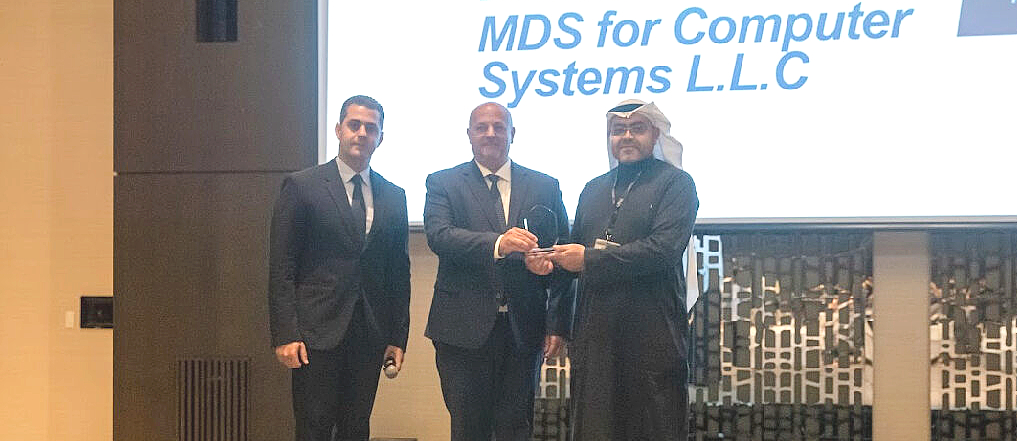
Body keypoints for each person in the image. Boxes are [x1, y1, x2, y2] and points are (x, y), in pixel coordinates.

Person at [548, 99, 698, 440]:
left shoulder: (677, 185)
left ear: (655, 134)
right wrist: (548, 263)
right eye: (618, 130)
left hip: (652, 337)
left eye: (637, 128)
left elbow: (663, 250)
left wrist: (588, 259)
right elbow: (575, 256)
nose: (626, 136)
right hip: (596, 338)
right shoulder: (593, 189)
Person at [424, 102, 573, 441]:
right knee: (467, 429)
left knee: (516, 429)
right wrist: (498, 243)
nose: (490, 133)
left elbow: (560, 257)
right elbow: (440, 237)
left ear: (512, 134)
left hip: (523, 331)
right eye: (481, 127)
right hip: (461, 331)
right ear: (469, 135)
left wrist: (557, 322)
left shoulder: (545, 185)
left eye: (498, 126)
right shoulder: (443, 182)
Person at [268, 95, 410, 441]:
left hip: (369, 332)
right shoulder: (303, 186)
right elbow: (282, 265)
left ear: (380, 137)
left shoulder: (394, 195)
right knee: (313, 427)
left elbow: (398, 272)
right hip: (315, 332)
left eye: (371, 128)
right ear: (338, 130)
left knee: (356, 426)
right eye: (354, 125)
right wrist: (286, 333)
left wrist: (397, 336)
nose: (362, 133)